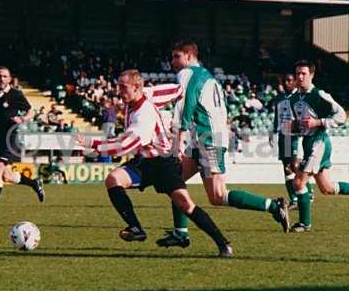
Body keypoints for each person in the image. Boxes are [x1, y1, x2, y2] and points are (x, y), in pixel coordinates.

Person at [75, 69, 233, 257]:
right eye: (118, 86)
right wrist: (181, 94)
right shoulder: (143, 96)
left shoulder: (144, 115)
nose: (119, 91)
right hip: (144, 162)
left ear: (137, 87)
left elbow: (126, 144)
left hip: (163, 164)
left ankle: (223, 244)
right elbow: (176, 90)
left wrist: (92, 144)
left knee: (186, 205)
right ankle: (135, 228)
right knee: (113, 179)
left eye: (123, 87)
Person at [156, 41, 289, 248]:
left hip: (208, 140)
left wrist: (178, 141)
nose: (172, 62)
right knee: (174, 179)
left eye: (176, 56)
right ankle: (181, 233)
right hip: (206, 137)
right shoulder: (208, 77)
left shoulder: (188, 73)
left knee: (218, 196)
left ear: (189, 56)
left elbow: (186, 105)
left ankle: (274, 206)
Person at [0, 66, 45, 220]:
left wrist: (23, 119)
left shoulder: (15, 94)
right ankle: (34, 183)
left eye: (5, 76)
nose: (2, 79)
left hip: (9, 138)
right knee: (7, 176)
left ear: (10, 79)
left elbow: (31, 111)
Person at [288, 60, 349, 232]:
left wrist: (318, 122)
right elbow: (300, 126)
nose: (300, 77)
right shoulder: (293, 98)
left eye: (304, 73)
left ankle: (304, 223)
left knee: (298, 183)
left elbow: (342, 116)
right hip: (308, 143)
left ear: (312, 75)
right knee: (327, 188)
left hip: (319, 143)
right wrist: (294, 127)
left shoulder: (319, 95)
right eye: (297, 73)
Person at [269, 73, 313, 210]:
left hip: (294, 136)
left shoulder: (299, 97)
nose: (287, 82)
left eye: (289, 80)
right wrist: (272, 133)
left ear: (294, 82)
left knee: (295, 165)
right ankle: (294, 199)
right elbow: (277, 116)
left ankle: (309, 192)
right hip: (283, 136)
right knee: (286, 168)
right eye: (285, 80)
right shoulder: (280, 98)